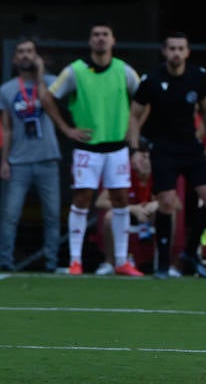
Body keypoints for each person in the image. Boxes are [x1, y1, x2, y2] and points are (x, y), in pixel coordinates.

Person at [39, 24, 143, 277]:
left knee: (120, 199)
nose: (100, 39)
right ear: (90, 41)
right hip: (87, 147)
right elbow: (47, 97)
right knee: (82, 198)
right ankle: (76, 261)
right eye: (96, 35)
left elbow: (144, 98)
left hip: (117, 147)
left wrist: (134, 127)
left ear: (113, 40)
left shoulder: (124, 70)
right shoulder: (75, 70)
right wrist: (66, 129)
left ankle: (121, 260)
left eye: (105, 35)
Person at [126, 32, 206, 278]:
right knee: (167, 202)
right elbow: (134, 116)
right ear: (164, 51)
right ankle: (162, 264)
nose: (176, 53)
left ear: (188, 52)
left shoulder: (197, 76)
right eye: (172, 48)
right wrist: (135, 149)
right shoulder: (152, 79)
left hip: (191, 147)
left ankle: (190, 252)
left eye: (181, 48)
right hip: (163, 148)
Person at [0, 40, 62, 273]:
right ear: (15, 58)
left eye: (30, 52)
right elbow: (6, 128)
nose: (25, 56)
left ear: (37, 56)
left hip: (48, 158)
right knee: (10, 215)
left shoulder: (51, 82)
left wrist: (41, 72)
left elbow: (49, 102)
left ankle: (51, 263)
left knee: (52, 215)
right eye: (21, 52)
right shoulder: (6, 90)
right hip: (18, 161)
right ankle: (5, 261)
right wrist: (4, 160)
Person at [98, 147, 160, 274]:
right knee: (110, 216)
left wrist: (156, 204)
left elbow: (175, 203)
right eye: (142, 157)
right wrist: (133, 209)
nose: (145, 161)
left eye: (148, 158)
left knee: (167, 214)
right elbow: (100, 202)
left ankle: (166, 263)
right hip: (127, 213)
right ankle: (110, 262)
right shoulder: (123, 174)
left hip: (149, 215)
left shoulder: (159, 175)